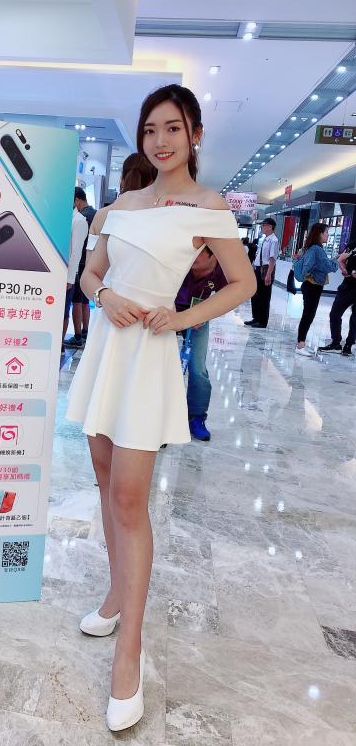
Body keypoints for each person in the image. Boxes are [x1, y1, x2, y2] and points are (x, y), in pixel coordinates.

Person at [66, 84, 255, 731]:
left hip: (147, 356)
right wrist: (104, 297)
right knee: (101, 476)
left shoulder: (208, 206)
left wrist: (180, 318)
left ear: (194, 133)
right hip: (106, 348)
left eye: (173, 128)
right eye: (151, 129)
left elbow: (243, 282)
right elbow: (90, 274)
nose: (160, 140)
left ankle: (130, 651)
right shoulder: (122, 204)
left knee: (129, 497)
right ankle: (115, 593)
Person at [175, 246, 228, 440]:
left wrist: (205, 314)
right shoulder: (179, 261)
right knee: (165, 366)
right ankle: (163, 418)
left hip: (199, 320)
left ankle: (196, 417)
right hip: (169, 314)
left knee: (197, 369)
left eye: (197, 255)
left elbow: (228, 298)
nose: (191, 258)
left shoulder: (223, 270)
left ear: (212, 255)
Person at [294, 223, 341, 356]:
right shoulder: (317, 249)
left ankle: (301, 343)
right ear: (319, 233)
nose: (327, 235)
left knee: (308, 314)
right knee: (308, 315)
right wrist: (339, 259)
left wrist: (334, 259)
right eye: (326, 232)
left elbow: (321, 264)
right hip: (313, 286)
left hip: (310, 285)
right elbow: (329, 267)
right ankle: (300, 345)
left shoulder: (311, 248)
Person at [63, 189, 97, 347]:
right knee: (83, 301)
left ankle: (78, 335)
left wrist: (70, 277)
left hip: (78, 266)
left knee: (76, 301)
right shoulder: (94, 214)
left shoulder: (81, 218)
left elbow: (76, 250)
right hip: (86, 264)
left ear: (76, 200)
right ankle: (84, 332)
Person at [319, 239, 356, 357]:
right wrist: (343, 268)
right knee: (335, 313)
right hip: (347, 286)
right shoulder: (352, 245)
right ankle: (336, 343)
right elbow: (341, 259)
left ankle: (349, 345)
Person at [62, 198, 88, 355]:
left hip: (69, 275)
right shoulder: (62, 217)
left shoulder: (79, 221)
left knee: (64, 311)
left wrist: (70, 278)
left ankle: (59, 345)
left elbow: (76, 252)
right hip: (57, 271)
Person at [245, 217, 279, 329]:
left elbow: (272, 259)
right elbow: (259, 255)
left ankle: (262, 321)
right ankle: (256, 318)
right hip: (258, 269)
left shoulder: (274, 240)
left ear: (270, 227)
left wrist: (269, 274)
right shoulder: (264, 239)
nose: (262, 227)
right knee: (255, 294)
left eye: (264, 225)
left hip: (266, 269)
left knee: (264, 296)